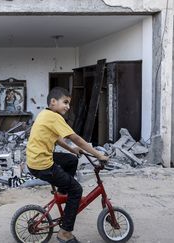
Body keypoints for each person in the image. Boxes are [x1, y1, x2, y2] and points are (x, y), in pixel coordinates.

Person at [26, 87, 108, 243]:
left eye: (69, 104)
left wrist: (72, 150)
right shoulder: (54, 117)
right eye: (65, 102)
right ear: (53, 102)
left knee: (71, 160)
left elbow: (57, 139)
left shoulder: (44, 114)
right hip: (43, 164)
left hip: (35, 159)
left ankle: (63, 194)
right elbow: (75, 138)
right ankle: (65, 232)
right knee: (77, 189)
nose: (68, 107)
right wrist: (98, 155)